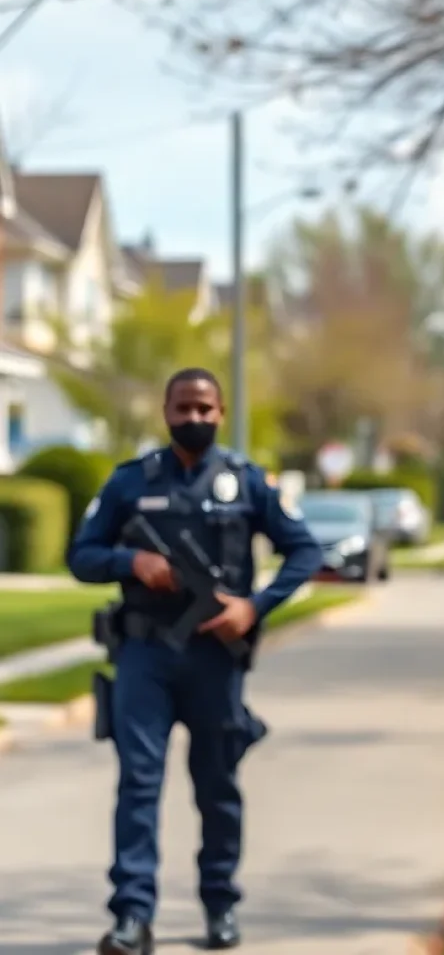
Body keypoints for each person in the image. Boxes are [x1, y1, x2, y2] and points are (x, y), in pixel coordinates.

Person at [67, 368, 322, 955]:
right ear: (165, 411)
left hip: (215, 658)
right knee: (138, 785)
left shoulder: (245, 481)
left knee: (218, 787)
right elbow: (80, 554)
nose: (195, 418)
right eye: (184, 408)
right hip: (145, 655)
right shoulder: (131, 482)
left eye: (205, 409)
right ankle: (132, 917)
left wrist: (254, 609)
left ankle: (220, 906)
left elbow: (304, 550)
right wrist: (131, 563)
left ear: (222, 412)